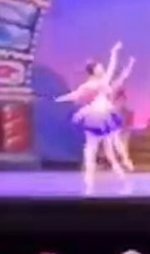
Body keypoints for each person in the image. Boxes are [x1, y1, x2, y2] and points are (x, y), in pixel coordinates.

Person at [56, 42, 136, 182]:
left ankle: (121, 163)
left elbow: (112, 68)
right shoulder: (91, 85)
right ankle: (92, 172)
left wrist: (114, 53)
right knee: (94, 145)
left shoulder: (101, 82)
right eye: (100, 67)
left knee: (110, 142)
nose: (102, 69)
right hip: (96, 114)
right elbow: (75, 95)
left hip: (103, 114)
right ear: (94, 71)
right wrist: (61, 99)